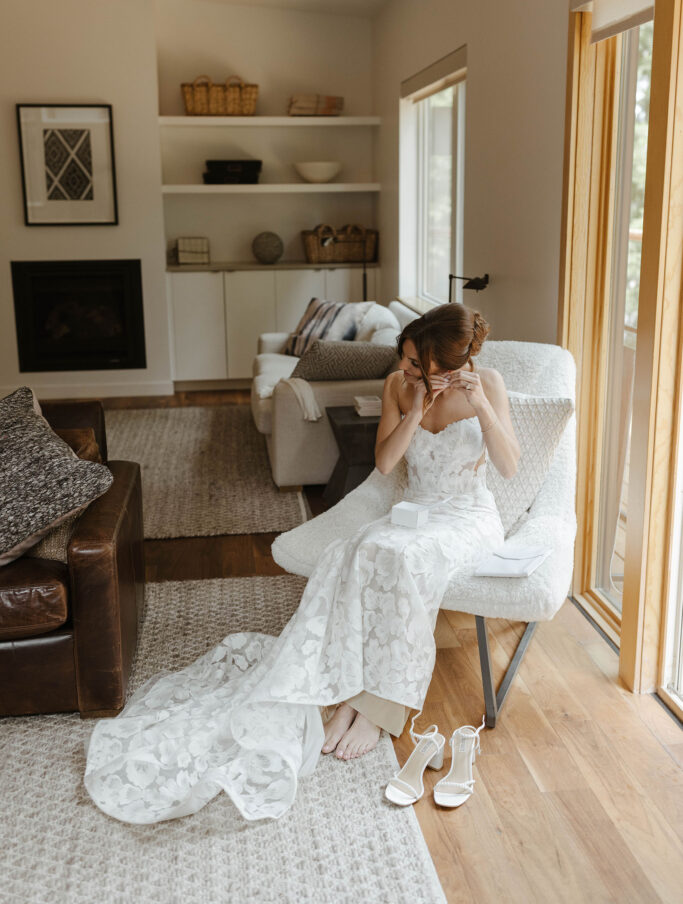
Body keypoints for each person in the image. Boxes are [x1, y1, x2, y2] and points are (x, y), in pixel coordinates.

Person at [84, 303, 519, 824]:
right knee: (351, 553)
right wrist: (415, 410)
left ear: (446, 364)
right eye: (404, 359)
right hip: (417, 510)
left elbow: (509, 466)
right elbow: (386, 464)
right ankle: (347, 693)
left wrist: (483, 407)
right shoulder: (398, 387)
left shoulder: (489, 385)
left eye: (415, 363)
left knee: (400, 559)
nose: (404, 368)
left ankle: (379, 710)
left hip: (467, 517)